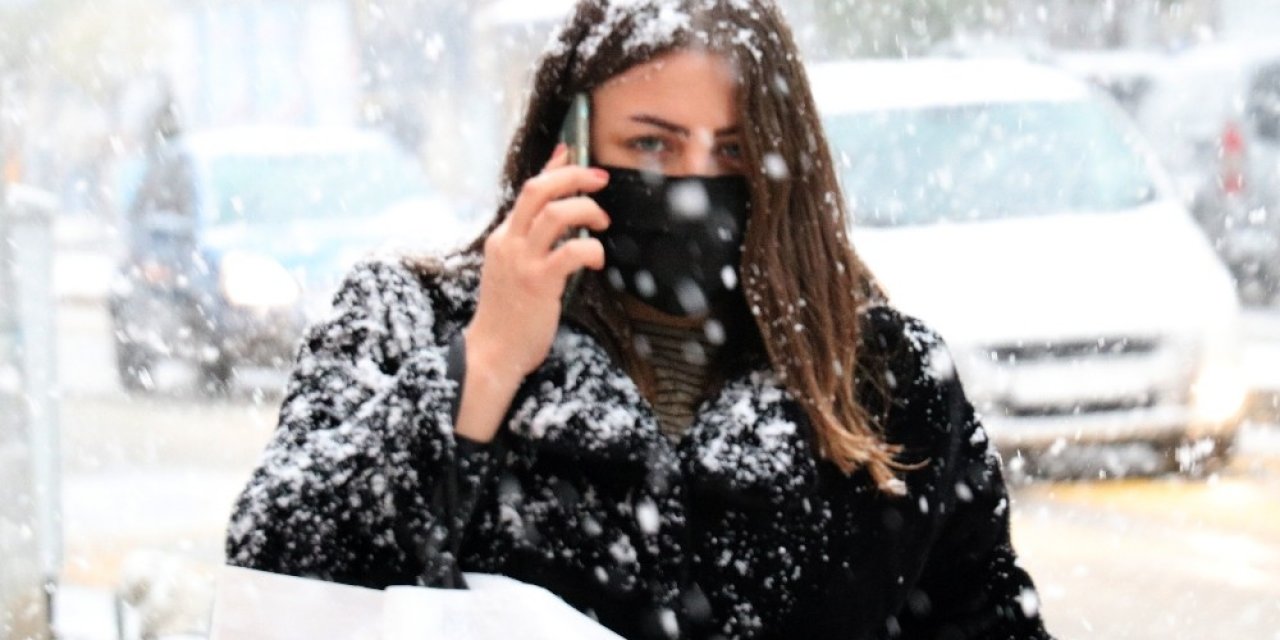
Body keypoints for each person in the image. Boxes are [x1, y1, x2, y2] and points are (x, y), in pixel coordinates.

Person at [225, 1, 1054, 638]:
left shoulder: (884, 379)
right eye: (653, 146)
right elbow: (283, 567)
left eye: (731, 151)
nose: (693, 184)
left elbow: (985, 622)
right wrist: (484, 362)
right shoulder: (404, 321)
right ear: (570, 147)